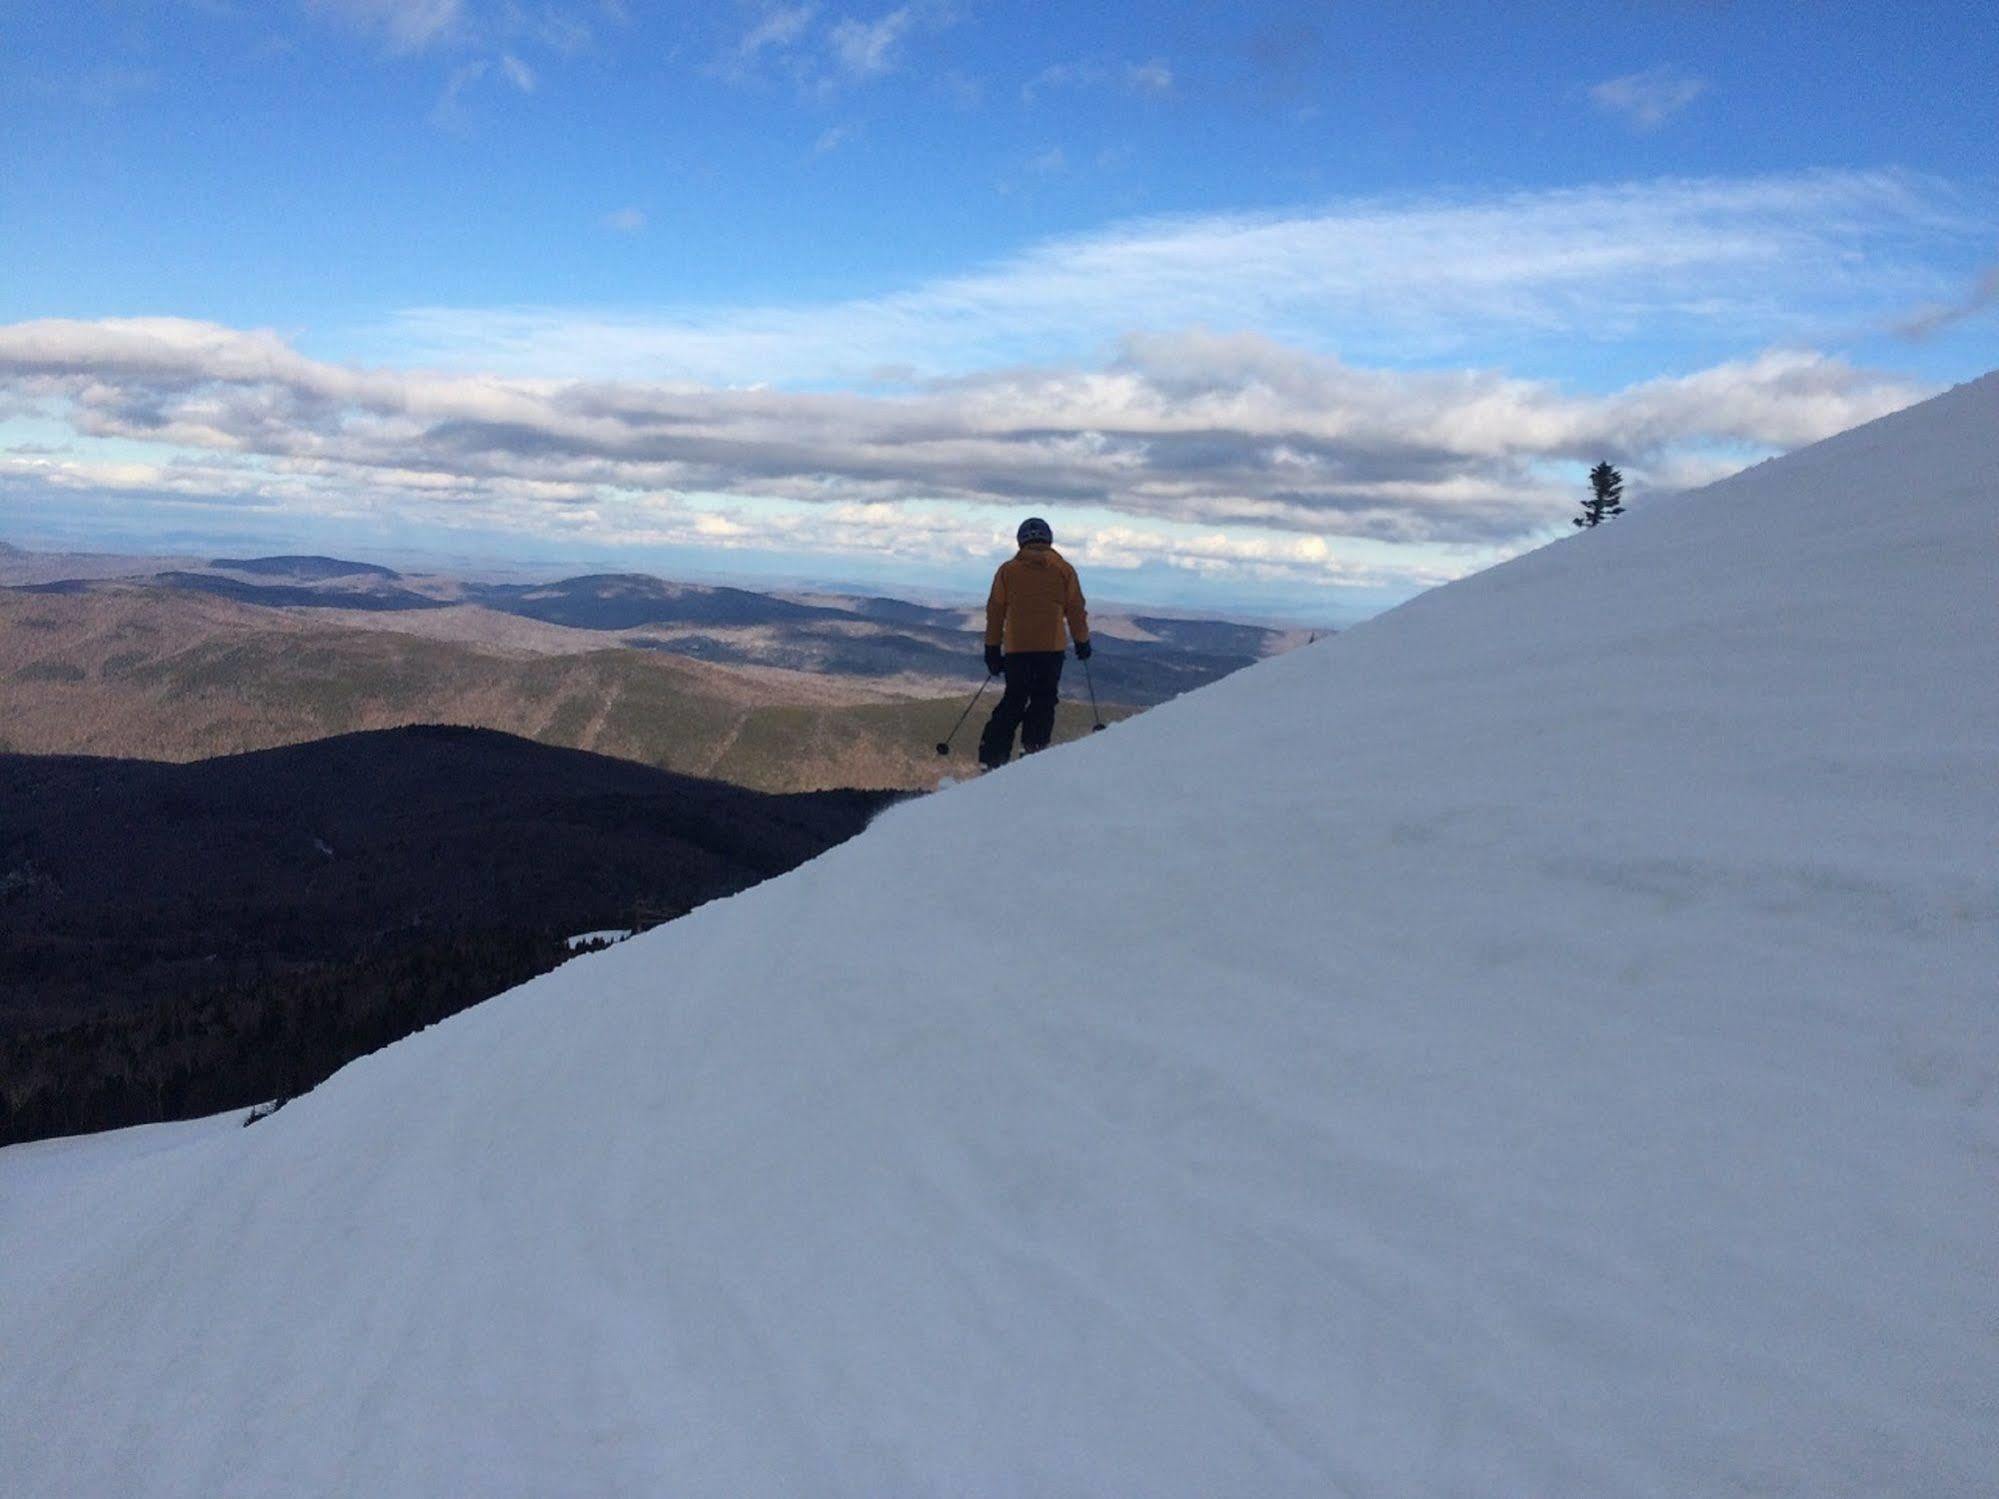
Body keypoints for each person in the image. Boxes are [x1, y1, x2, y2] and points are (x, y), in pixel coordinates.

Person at [978, 517, 1091, 770]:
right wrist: (1082, 641)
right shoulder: (1064, 570)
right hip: (1051, 649)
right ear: (1048, 539)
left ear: (1021, 541)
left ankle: (992, 757)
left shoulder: (1007, 571)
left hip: (1018, 649)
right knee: (1044, 700)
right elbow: (1075, 610)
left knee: (1014, 700)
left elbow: (995, 611)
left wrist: (992, 649)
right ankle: (1033, 752)